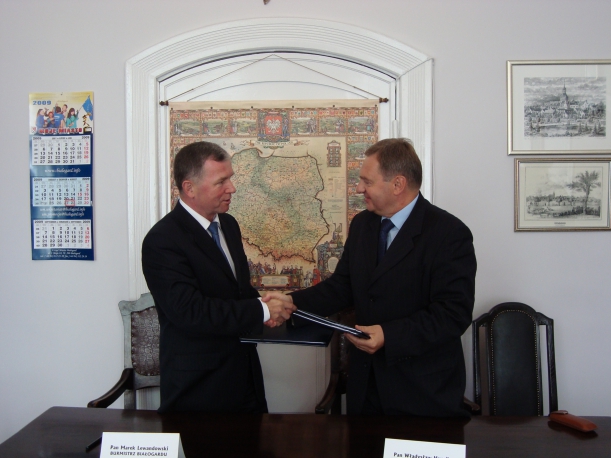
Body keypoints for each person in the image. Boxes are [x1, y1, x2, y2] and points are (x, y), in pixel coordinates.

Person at [272, 138, 476, 417]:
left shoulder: (449, 233)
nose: (359, 188)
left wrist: (389, 336)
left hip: (421, 392)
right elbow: (343, 286)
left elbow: (453, 314)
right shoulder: (363, 224)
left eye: (367, 181)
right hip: (366, 388)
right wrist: (291, 303)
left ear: (398, 184)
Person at [142, 141, 296, 413]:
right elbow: (190, 312)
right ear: (189, 188)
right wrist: (260, 310)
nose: (232, 188)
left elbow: (237, 291)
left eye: (230, 179)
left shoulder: (229, 225)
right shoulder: (162, 240)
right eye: (221, 182)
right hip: (198, 389)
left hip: (245, 379)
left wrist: (268, 307)